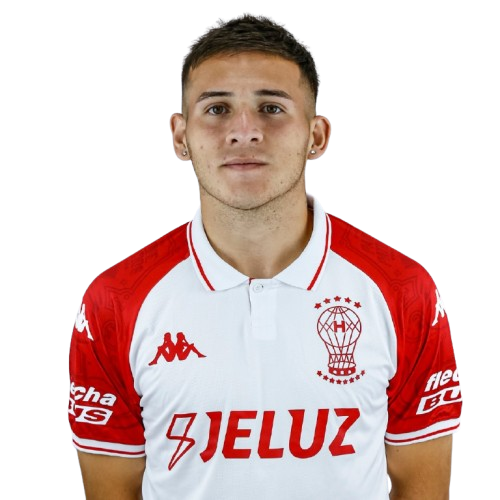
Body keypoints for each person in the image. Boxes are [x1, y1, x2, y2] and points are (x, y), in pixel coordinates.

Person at [67, 12, 462, 500]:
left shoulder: (404, 290)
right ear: (180, 135)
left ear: (316, 135)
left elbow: (421, 486)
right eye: (217, 109)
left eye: (271, 108)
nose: (244, 131)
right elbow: (112, 490)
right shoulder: (113, 302)